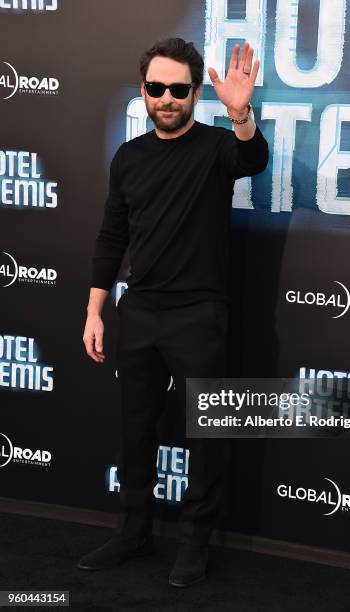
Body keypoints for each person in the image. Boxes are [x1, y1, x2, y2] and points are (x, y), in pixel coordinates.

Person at [78, 37, 269, 587]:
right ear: (144, 91)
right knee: (135, 429)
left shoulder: (217, 147)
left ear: (193, 93)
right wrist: (95, 311)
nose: (167, 98)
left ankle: (194, 544)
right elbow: (112, 236)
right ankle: (133, 533)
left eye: (178, 89)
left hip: (199, 314)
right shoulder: (129, 157)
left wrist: (240, 113)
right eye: (157, 88)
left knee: (205, 436)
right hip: (137, 311)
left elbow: (254, 159)